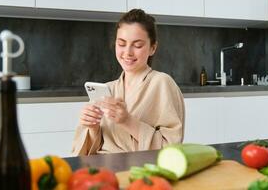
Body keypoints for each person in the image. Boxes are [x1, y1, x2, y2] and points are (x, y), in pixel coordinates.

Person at [71, 9, 185, 156]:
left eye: (137, 45)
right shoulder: (108, 89)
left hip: (141, 170)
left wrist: (127, 121)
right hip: (103, 170)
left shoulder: (162, 83)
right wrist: (92, 127)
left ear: (153, 48)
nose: (128, 52)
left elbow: (172, 149)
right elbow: (91, 150)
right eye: (121, 44)